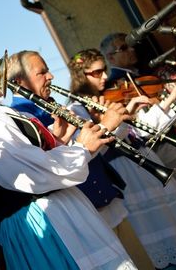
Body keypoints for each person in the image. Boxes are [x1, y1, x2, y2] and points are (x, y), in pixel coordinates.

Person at [0, 41, 136, 269]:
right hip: (43, 218)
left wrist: (59, 141)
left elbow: (29, 160)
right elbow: (27, 174)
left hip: (54, 210)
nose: (1, 67)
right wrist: (82, 149)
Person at [66, 48, 176, 269]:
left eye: (104, 70)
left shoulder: (107, 98)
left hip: (143, 161)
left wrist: (138, 108)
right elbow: (95, 146)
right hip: (124, 170)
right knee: (156, 229)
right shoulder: (76, 108)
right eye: (97, 72)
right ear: (82, 75)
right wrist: (118, 118)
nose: (105, 77)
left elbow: (138, 133)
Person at [8, 50, 155, 269]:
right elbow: (60, 162)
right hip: (86, 212)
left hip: (106, 197)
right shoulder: (22, 117)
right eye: (43, 72)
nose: (51, 77)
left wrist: (101, 123)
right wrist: (106, 124)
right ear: (20, 81)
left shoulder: (50, 103)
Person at [101, 33, 176, 230]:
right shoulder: (113, 88)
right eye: (124, 48)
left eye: (131, 46)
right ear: (110, 57)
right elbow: (137, 126)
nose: (132, 50)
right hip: (166, 148)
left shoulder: (143, 74)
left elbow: (165, 101)